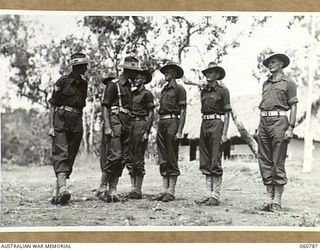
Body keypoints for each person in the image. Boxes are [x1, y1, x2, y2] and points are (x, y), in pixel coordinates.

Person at [257, 53, 298, 212]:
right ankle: (268, 198)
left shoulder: (289, 82)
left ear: (281, 64)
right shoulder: (265, 84)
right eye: (268, 63)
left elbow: (293, 105)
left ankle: (277, 200)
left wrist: (291, 127)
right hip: (264, 122)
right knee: (264, 159)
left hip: (280, 122)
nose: (270, 65)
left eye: (273, 62)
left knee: (277, 160)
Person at [98, 56, 141, 202]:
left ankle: (113, 190)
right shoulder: (113, 85)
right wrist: (108, 127)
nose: (137, 75)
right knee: (114, 155)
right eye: (134, 71)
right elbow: (105, 106)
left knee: (122, 158)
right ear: (128, 70)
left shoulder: (128, 87)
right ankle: (102, 187)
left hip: (127, 123)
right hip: (115, 121)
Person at [48, 52, 89, 205]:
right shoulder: (63, 81)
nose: (86, 67)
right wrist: (51, 126)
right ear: (77, 66)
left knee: (70, 156)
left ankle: (57, 192)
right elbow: (52, 104)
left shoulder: (84, 84)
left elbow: (81, 106)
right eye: (83, 65)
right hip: (62, 118)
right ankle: (63, 189)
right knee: (61, 153)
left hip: (77, 120)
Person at [196, 62, 231, 206]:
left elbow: (227, 113)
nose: (208, 75)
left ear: (217, 75)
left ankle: (215, 195)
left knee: (215, 158)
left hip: (217, 124)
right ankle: (208, 194)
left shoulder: (223, 90)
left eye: (211, 72)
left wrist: (224, 133)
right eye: (207, 72)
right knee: (205, 159)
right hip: (204, 124)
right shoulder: (203, 91)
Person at [155, 62, 186, 202]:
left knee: (172, 155)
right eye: (165, 71)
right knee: (163, 156)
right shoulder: (164, 90)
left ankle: (171, 191)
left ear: (174, 73)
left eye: (168, 71)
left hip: (173, 122)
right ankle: (164, 190)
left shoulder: (179, 89)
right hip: (162, 122)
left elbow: (183, 110)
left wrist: (179, 130)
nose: (166, 74)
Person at [126, 68, 155, 199]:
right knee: (129, 157)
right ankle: (133, 188)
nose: (135, 80)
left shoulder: (147, 94)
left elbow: (151, 113)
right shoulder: (131, 94)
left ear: (143, 80)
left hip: (141, 124)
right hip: (130, 125)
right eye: (134, 78)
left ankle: (138, 189)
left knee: (138, 156)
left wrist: (146, 131)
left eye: (138, 78)